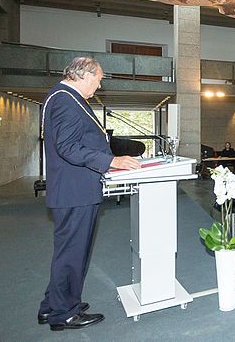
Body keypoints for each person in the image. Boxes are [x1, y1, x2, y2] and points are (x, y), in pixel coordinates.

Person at [39, 57, 142, 330]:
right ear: (84, 75)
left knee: (68, 252)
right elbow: (69, 147)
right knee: (73, 254)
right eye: (98, 80)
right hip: (75, 191)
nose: (98, 85)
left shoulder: (63, 97)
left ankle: (53, 305)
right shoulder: (64, 100)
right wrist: (112, 161)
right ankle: (65, 314)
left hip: (74, 189)